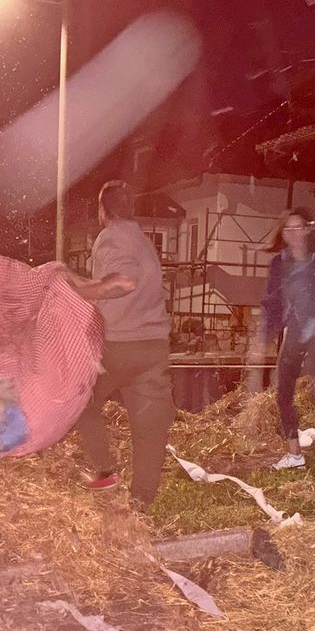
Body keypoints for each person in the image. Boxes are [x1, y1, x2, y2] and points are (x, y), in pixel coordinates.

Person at [72, 180, 175, 510]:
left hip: (117, 347)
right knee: (150, 431)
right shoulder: (143, 241)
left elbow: (123, 281)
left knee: (79, 401)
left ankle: (104, 471)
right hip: (154, 348)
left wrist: (79, 289)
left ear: (103, 210)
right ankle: (141, 503)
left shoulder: (111, 235)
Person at [253, 208, 315, 480]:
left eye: (298, 227)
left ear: (308, 229)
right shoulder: (278, 263)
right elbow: (271, 301)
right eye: (288, 229)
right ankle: (294, 454)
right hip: (295, 330)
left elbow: (312, 291)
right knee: (283, 392)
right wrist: (265, 337)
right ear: (283, 233)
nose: (293, 233)